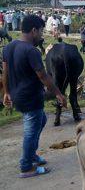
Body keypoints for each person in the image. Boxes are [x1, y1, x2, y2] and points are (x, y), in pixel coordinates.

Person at [3, 15, 67, 178]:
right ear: (33, 30)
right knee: (31, 130)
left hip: (18, 95)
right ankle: (26, 166)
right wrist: (58, 93)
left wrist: (7, 92)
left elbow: (6, 72)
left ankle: (31, 155)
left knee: (41, 120)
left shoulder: (9, 47)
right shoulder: (32, 51)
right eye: (40, 31)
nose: (41, 35)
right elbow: (44, 76)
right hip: (31, 97)